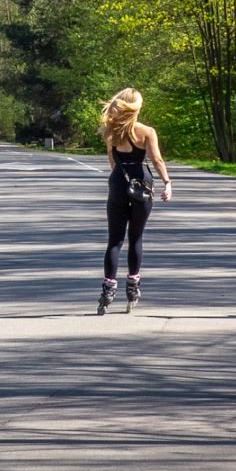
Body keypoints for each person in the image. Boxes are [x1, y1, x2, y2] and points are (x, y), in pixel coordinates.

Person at [96, 88, 172, 313]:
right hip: (142, 183)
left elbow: (112, 159)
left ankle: (108, 290)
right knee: (136, 237)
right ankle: (132, 287)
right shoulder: (146, 132)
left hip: (119, 182)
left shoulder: (111, 131)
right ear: (137, 107)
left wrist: (119, 179)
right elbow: (156, 159)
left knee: (114, 240)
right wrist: (167, 182)